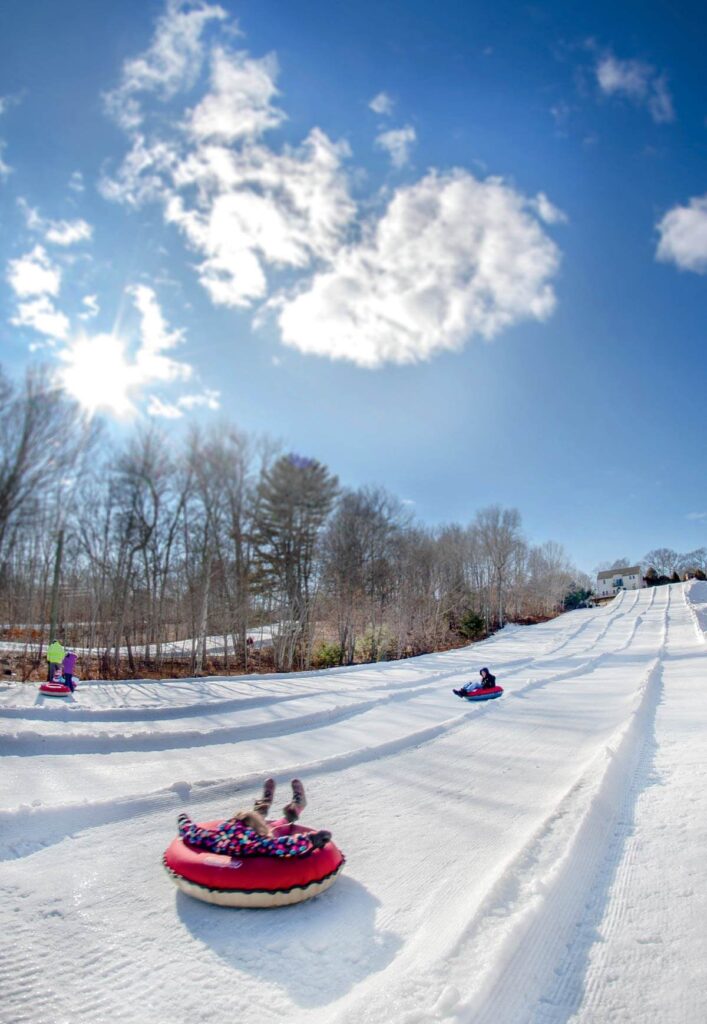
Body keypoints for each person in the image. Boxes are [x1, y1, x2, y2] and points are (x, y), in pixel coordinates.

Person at [177, 779, 332, 859]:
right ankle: (296, 807)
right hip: (256, 835)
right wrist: (311, 839)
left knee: (254, 819)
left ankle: (262, 806)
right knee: (278, 827)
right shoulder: (256, 843)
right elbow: (284, 844)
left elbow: (192, 832)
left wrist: (183, 820)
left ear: (233, 822)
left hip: (236, 832)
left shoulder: (216, 837)